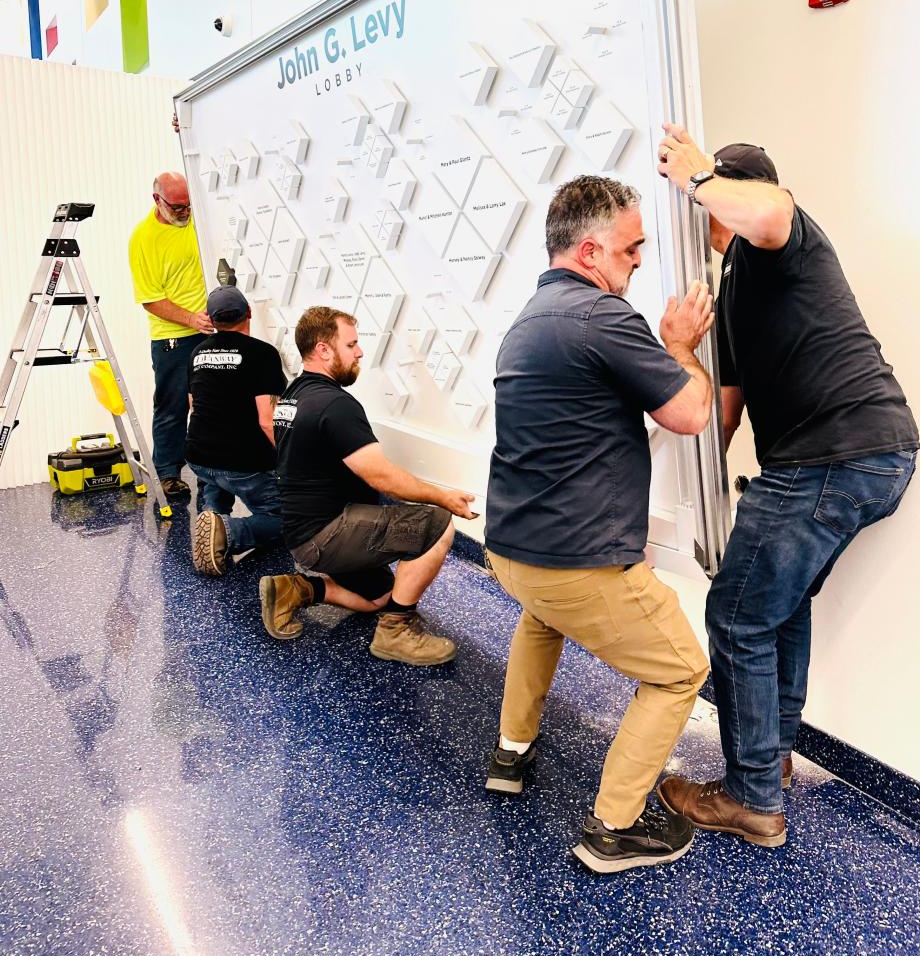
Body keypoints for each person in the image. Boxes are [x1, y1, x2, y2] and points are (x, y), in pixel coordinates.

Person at [655, 125, 919, 848]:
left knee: (737, 616)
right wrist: (679, 351)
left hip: (835, 456)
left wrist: (697, 173)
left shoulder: (778, 237)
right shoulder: (735, 286)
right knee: (778, 606)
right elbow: (721, 414)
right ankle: (770, 765)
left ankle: (751, 799)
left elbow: (769, 210)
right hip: (858, 456)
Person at [483, 174, 716, 875]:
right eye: (632, 248)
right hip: (573, 564)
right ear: (590, 251)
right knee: (680, 671)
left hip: (513, 555)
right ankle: (612, 829)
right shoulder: (603, 318)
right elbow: (690, 413)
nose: (638, 261)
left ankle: (511, 751)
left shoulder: (529, 319)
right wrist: (680, 344)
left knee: (540, 618)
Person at [259, 305, 478, 664]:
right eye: (352, 344)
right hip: (327, 533)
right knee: (437, 527)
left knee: (381, 596)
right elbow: (382, 477)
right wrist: (444, 497)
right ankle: (395, 633)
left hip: (302, 534)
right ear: (324, 349)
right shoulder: (335, 404)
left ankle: (298, 588)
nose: (360, 352)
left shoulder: (294, 395)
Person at [186, 285, 287, 575]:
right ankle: (229, 533)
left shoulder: (196, 353)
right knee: (286, 519)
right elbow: (267, 420)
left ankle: (213, 518)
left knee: (214, 485)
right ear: (249, 313)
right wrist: (287, 462)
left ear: (213, 320)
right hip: (243, 464)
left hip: (199, 456)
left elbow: (194, 406)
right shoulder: (263, 354)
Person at [128, 171, 214, 499]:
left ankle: (210, 471)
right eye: (178, 207)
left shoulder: (200, 219)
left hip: (209, 329)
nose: (185, 213)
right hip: (172, 337)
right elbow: (150, 299)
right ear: (157, 200)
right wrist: (191, 318)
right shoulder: (143, 239)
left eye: (188, 206)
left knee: (210, 405)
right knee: (172, 405)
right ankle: (167, 474)